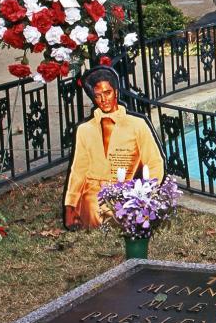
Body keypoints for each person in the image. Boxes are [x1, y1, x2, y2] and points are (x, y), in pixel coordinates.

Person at [64, 67, 165, 229]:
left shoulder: (137, 125)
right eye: (98, 95)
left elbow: (154, 162)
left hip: (127, 190)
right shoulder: (85, 129)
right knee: (94, 207)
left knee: (123, 214)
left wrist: (147, 195)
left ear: (116, 92)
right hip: (92, 194)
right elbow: (78, 170)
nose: (104, 99)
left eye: (107, 92)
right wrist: (69, 206)